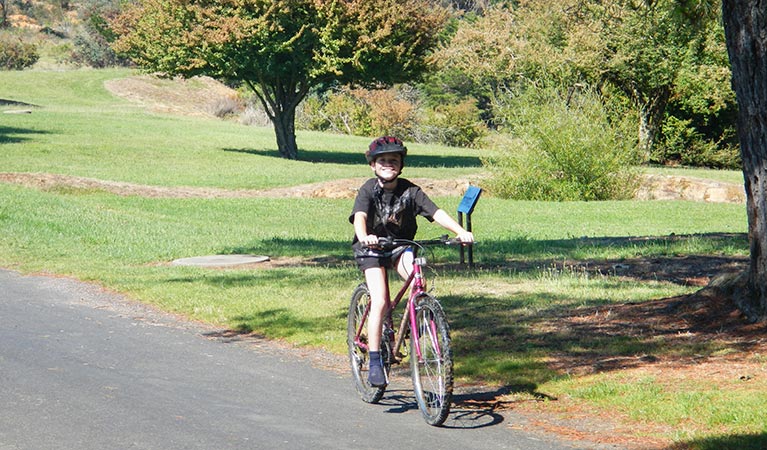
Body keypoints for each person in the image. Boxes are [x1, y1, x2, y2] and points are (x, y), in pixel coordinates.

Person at [349, 136, 474, 387]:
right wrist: (365, 237)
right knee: (381, 300)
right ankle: (374, 359)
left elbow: (436, 213)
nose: (388, 164)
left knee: (417, 279)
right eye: (382, 160)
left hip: (399, 246)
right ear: (373, 165)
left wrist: (460, 231)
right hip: (371, 249)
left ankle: (414, 317)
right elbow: (360, 217)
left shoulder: (411, 191)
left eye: (393, 160)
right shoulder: (367, 190)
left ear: (401, 164)